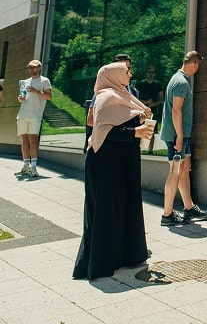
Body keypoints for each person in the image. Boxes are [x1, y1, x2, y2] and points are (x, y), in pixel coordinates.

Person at [73, 62, 154, 279]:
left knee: (121, 207)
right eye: (126, 71)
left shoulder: (124, 95)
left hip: (120, 163)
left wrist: (140, 119)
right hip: (106, 165)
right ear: (114, 75)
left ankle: (123, 256)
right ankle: (103, 261)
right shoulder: (106, 97)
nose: (130, 74)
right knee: (107, 210)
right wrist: (136, 132)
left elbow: (121, 121)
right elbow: (105, 131)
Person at [159, 50, 207, 226]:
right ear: (195, 64)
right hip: (176, 135)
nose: (198, 69)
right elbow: (176, 110)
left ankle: (189, 207)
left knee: (183, 168)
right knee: (175, 172)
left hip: (181, 134)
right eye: (199, 66)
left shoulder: (179, 79)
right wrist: (180, 137)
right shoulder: (181, 82)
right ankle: (167, 214)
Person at [15, 59, 52, 178]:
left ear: (39, 68)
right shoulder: (25, 82)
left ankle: (34, 167)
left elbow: (49, 96)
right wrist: (20, 98)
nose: (32, 69)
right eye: (30, 67)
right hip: (23, 114)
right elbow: (22, 97)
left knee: (33, 140)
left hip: (35, 115)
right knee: (24, 140)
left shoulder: (45, 81)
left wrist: (36, 91)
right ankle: (26, 165)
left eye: (34, 67)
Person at [135, 64, 164, 130]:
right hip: (142, 111)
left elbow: (161, 99)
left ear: (154, 74)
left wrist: (153, 104)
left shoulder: (158, 85)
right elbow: (135, 99)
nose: (151, 74)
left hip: (154, 111)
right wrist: (145, 102)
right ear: (146, 73)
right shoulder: (140, 84)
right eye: (149, 72)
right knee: (141, 130)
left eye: (152, 72)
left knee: (152, 131)